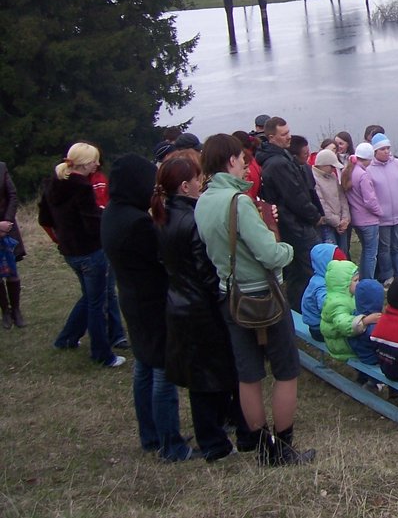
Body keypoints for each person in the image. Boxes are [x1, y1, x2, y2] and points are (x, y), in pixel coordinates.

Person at [194, 133, 315, 466]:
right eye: (243, 160)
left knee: (247, 375)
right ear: (230, 160)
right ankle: (283, 448)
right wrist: (285, 246)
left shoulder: (203, 201)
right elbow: (270, 254)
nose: (246, 165)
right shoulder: (239, 202)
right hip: (263, 294)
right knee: (286, 371)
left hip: (230, 294)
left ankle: (262, 446)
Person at [152, 154, 255, 462]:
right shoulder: (190, 220)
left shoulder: (162, 217)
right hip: (202, 308)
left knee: (203, 377)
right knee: (214, 376)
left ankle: (225, 429)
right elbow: (205, 269)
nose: (201, 183)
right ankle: (215, 442)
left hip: (179, 302)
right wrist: (225, 294)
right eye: (197, 179)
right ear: (185, 186)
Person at [103, 153, 196, 462]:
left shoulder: (114, 213)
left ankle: (150, 436)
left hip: (132, 298)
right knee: (162, 372)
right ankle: (172, 445)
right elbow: (162, 260)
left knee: (143, 367)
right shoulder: (138, 223)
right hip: (152, 301)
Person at [38, 142, 126, 366]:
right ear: (86, 163)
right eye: (95, 160)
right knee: (98, 302)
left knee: (89, 297)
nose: (98, 164)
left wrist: (62, 237)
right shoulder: (82, 188)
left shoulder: (52, 185)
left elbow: (45, 219)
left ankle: (66, 338)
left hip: (70, 253)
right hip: (90, 252)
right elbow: (92, 225)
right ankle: (102, 354)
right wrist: (103, 216)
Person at [256, 117, 323, 304]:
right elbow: (295, 197)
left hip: (292, 224)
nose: (289, 137)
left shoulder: (278, 158)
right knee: (308, 270)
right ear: (271, 137)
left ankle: (300, 308)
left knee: (297, 271)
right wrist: (314, 216)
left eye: (289, 132)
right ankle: (306, 308)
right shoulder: (277, 163)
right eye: (284, 134)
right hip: (295, 226)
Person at [365, 134, 398, 284]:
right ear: (375, 152)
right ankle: (387, 275)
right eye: (382, 149)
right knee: (384, 247)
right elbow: (368, 193)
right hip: (382, 217)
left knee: (397, 246)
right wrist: (377, 210)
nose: (386, 151)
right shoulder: (369, 169)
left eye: (388, 148)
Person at [320, 259, 383, 364]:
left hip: (344, 337)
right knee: (368, 344)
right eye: (355, 280)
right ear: (343, 283)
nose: (358, 283)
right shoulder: (338, 303)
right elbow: (343, 324)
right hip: (341, 343)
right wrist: (365, 320)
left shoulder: (346, 296)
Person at [344, 143, 381, 281]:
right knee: (371, 253)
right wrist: (380, 211)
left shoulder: (349, 171)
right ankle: (368, 281)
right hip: (368, 219)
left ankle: (361, 280)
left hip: (356, 218)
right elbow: (370, 200)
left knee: (365, 250)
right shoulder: (363, 175)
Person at [300, 243, 347, 342]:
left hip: (323, 322)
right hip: (318, 328)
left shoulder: (324, 277)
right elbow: (327, 308)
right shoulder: (321, 285)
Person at [0, 159, 27, 328]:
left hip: (7, 227)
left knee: (12, 271)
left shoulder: (1, 168)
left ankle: (16, 310)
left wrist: (7, 221)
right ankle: (5, 312)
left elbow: (12, 195)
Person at [312, 148, 350, 251]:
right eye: (332, 166)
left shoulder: (333, 176)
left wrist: (345, 218)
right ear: (323, 165)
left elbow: (342, 197)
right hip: (327, 226)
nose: (333, 169)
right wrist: (337, 222)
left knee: (343, 253)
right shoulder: (314, 178)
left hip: (341, 223)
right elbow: (321, 204)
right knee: (332, 255)